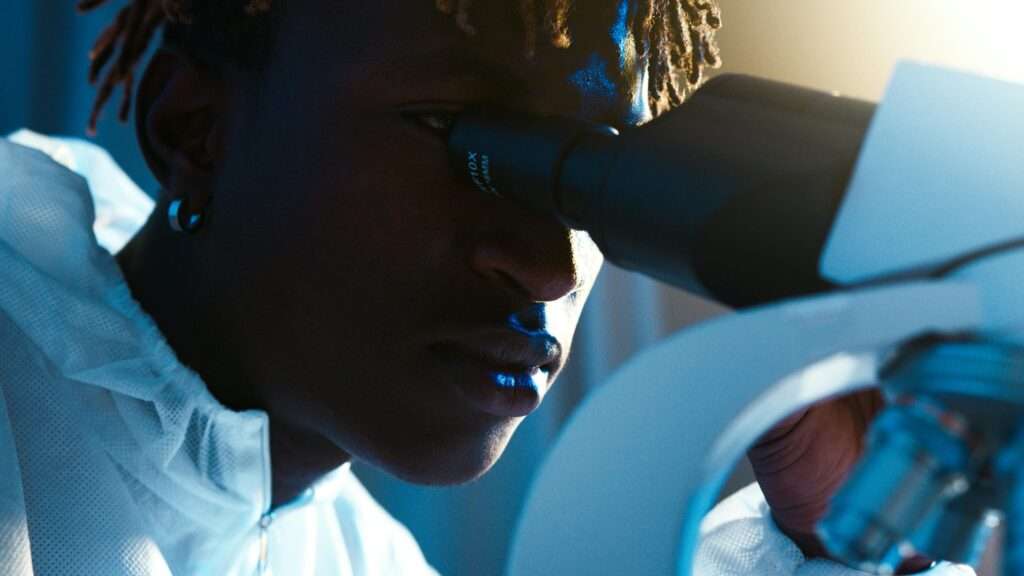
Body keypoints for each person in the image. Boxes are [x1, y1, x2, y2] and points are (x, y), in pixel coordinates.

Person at [0, 0, 973, 574]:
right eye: (457, 133)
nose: (547, 264)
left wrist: (842, 540)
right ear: (194, 130)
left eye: (598, 164)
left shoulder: (350, 556)